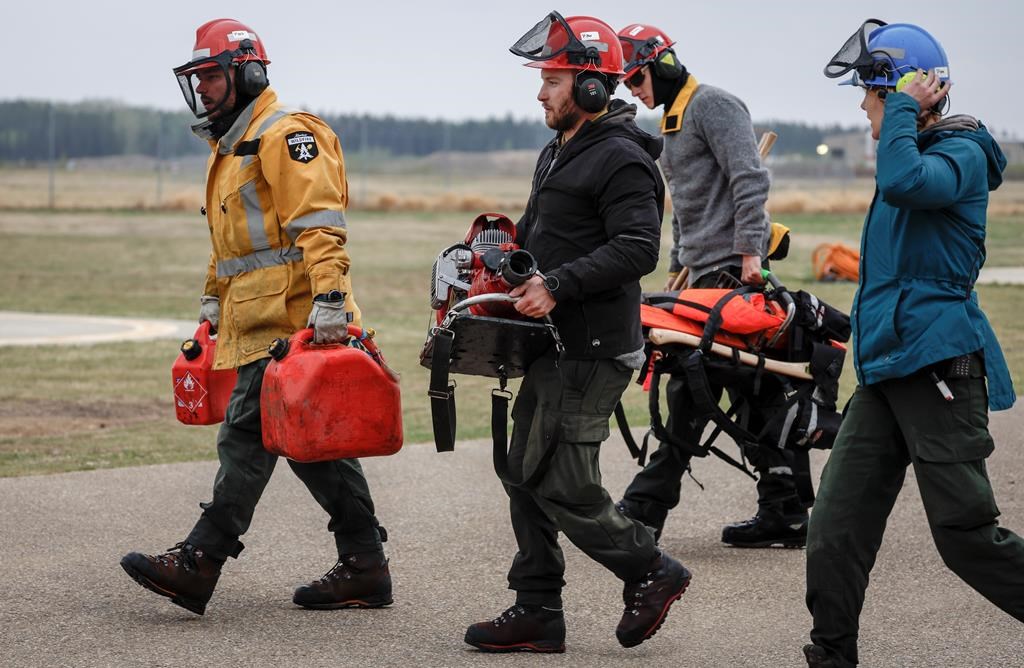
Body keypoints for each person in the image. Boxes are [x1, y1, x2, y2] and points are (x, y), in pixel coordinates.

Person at [119, 18, 391, 616]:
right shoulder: (231, 145)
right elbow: (233, 244)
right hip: (257, 318)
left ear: (247, 73)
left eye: (211, 75)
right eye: (197, 78)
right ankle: (365, 564)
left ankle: (201, 560)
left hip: (296, 320)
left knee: (245, 434)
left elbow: (320, 225)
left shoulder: (285, 134)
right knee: (311, 446)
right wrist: (212, 299)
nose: (202, 88)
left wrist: (330, 300)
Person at [462, 12, 691, 653]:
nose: (540, 94)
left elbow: (639, 247)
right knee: (520, 471)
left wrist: (558, 285)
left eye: (553, 81)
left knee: (559, 479)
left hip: (592, 348)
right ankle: (537, 608)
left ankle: (651, 568)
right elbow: (552, 237)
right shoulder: (560, 150)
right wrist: (503, 256)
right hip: (554, 343)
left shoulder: (621, 158)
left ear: (591, 86)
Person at [804, 20, 1024, 667]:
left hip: (940, 370)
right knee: (834, 527)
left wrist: (901, 105)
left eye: (870, 94)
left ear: (904, 94)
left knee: (965, 537)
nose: (863, 107)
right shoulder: (914, 148)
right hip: (886, 373)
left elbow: (905, 180)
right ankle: (831, 656)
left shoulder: (962, 154)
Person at [613, 24, 810, 548]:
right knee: (754, 394)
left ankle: (644, 508)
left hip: (733, 275)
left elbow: (749, 179)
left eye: (636, 79)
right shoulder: (673, 123)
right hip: (699, 278)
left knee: (690, 387)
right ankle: (786, 511)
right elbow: (686, 206)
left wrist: (751, 252)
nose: (633, 90)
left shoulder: (714, 105)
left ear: (662, 65)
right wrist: (677, 262)